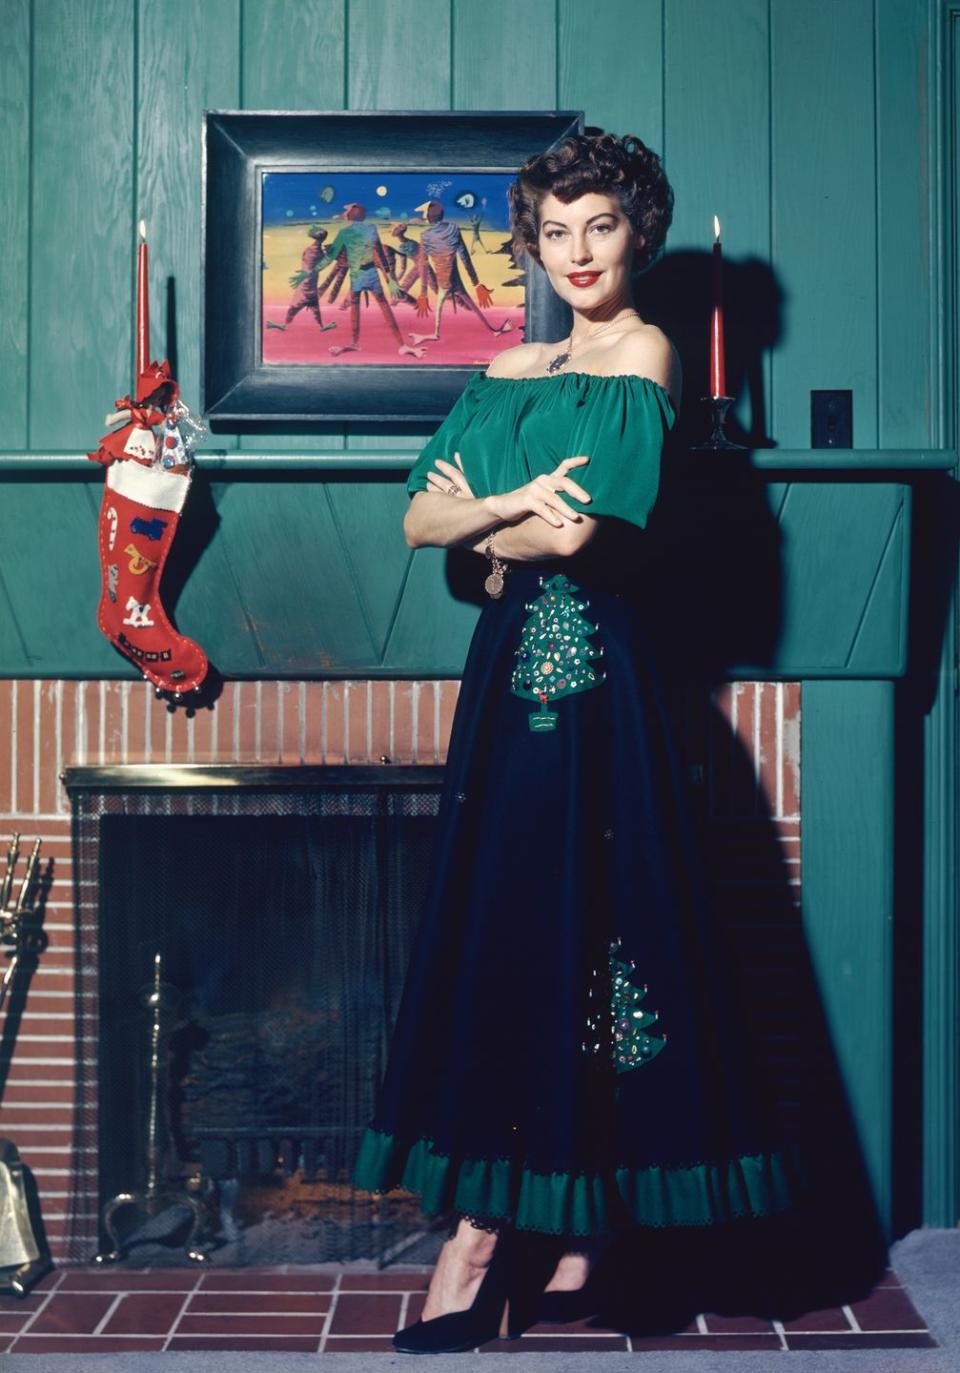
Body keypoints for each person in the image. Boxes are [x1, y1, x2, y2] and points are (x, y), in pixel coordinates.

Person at [351, 130, 804, 1355]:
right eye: (554, 231)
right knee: (513, 935)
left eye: (598, 225)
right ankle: (535, 1233)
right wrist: (503, 508)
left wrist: (492, 534)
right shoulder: (511, 362)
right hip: (504, 693)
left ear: (637, 231)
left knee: (598, 935)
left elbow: (583, 538)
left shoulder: (645, 353)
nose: (576, 252)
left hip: (598, 686)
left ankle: (513, 1240)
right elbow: (416, 516)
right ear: (533, 244)